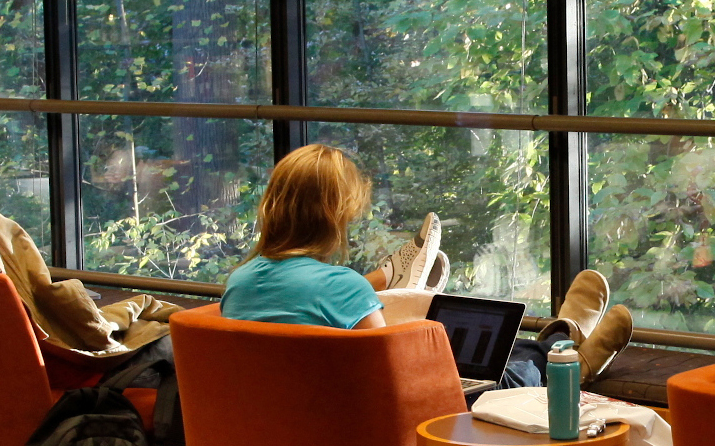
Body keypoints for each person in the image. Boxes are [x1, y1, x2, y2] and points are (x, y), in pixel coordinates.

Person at [220, 144, 633, 382]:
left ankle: (557, 340)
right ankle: (567, 365)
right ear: (336, 217)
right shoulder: (342, 288)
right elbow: (390, 380)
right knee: (506, 375)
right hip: (370, 434)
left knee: (508, 350)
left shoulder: (238, 284)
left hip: (287, 440)